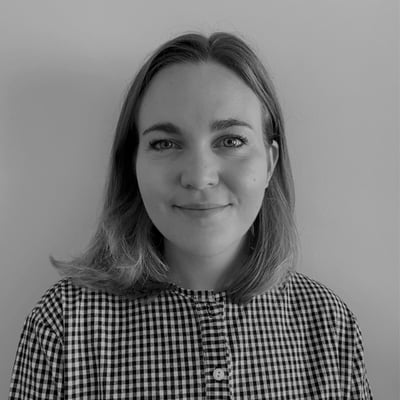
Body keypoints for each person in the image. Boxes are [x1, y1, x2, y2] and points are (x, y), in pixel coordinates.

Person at [9, 31, 373, 399]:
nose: (199, 177)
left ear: (269, 163)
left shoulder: (330, 327)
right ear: (133, 165)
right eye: (165, 143)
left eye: (231, 140)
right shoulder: (63, 326)